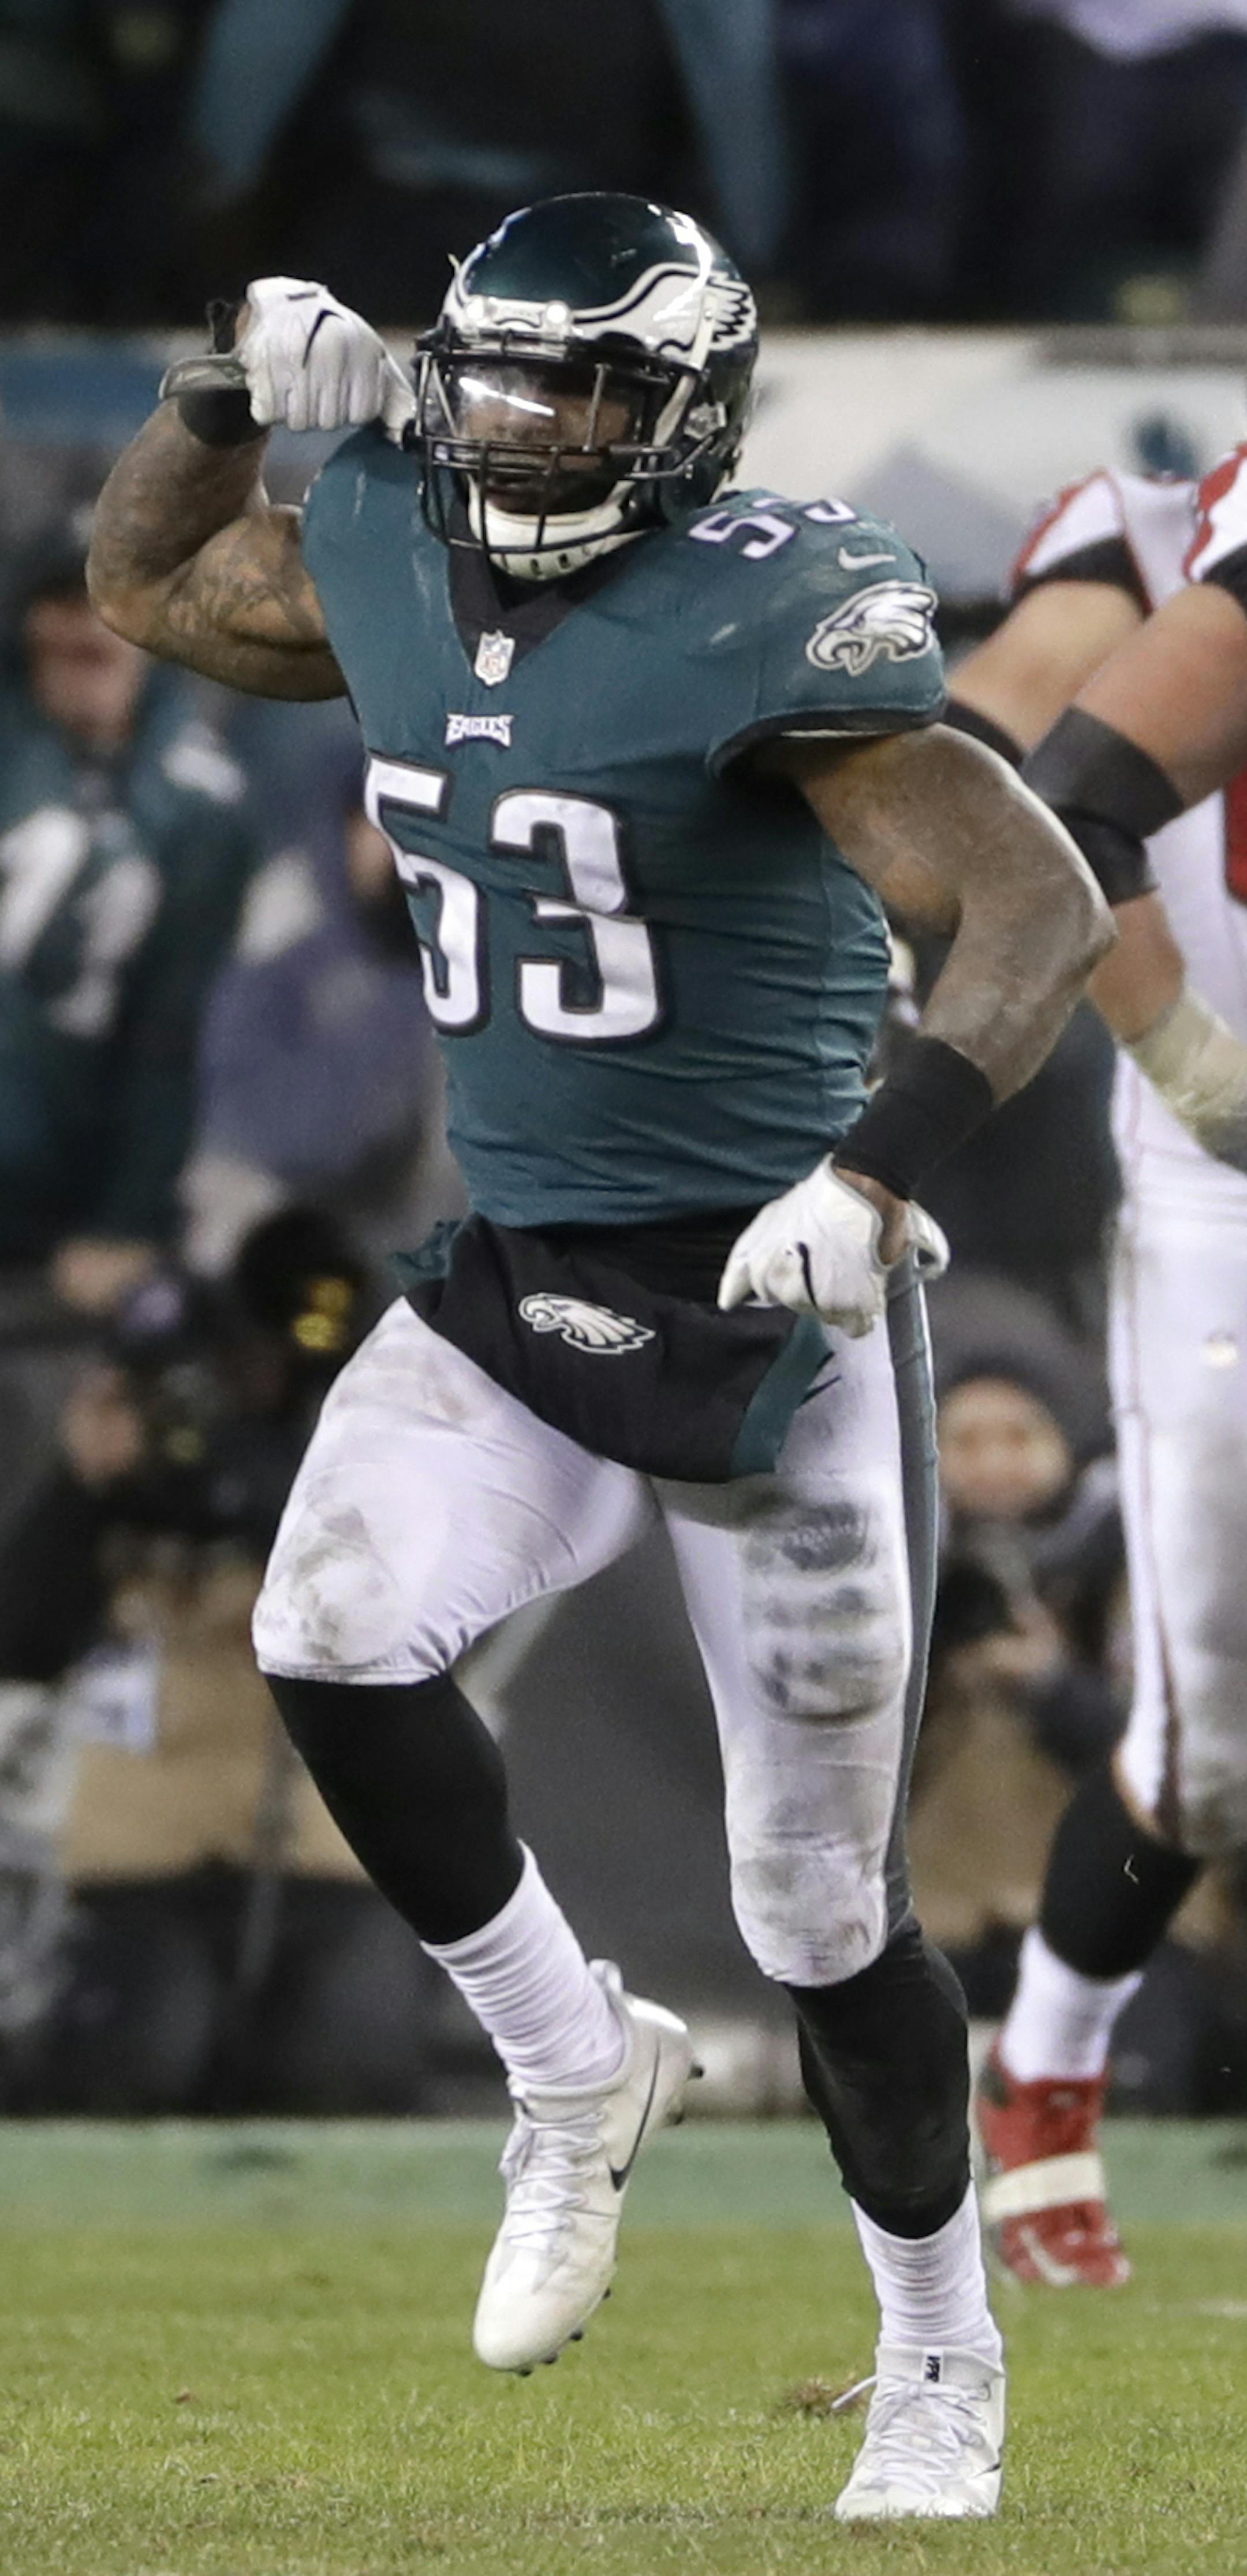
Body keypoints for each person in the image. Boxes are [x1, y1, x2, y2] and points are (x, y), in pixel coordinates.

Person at [86, 194, 1110, 2519]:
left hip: (777, 1299)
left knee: (819, 1912)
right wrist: (225, 377)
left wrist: (877, 1174)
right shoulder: (384, 526)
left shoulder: (766, 603)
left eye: (588, 385)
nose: (532, 425)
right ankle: (575, 2071)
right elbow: (148, 583)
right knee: (329, 1631)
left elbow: (1034, 901)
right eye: (503, 373)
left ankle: (943, 2363)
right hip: (523, 1255)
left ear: (691, 406)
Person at [947, 448, 1247, 2283]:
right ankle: (1044, 2075)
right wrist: (1183, 1055)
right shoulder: (1138, 541)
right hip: (1233, 1171)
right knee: (1210, 1749)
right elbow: (1022, 777)